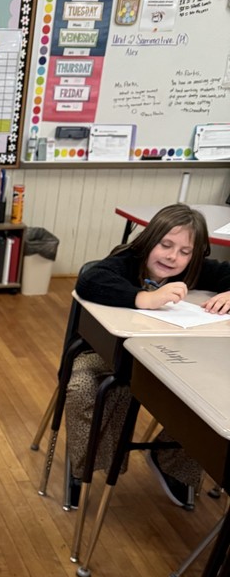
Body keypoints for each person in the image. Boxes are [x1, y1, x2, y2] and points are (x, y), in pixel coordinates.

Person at [65, 204, 230, 508]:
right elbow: (90, 279)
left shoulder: (195, 270)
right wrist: (144, 298)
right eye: (165, 245)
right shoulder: (127, 262)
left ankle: (171, 461)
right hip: (111, 357)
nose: (172, 257)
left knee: (207, 398)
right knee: (84, 387)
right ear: (149, 240)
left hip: (175, 360)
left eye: (184, 251)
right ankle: (82, 468)